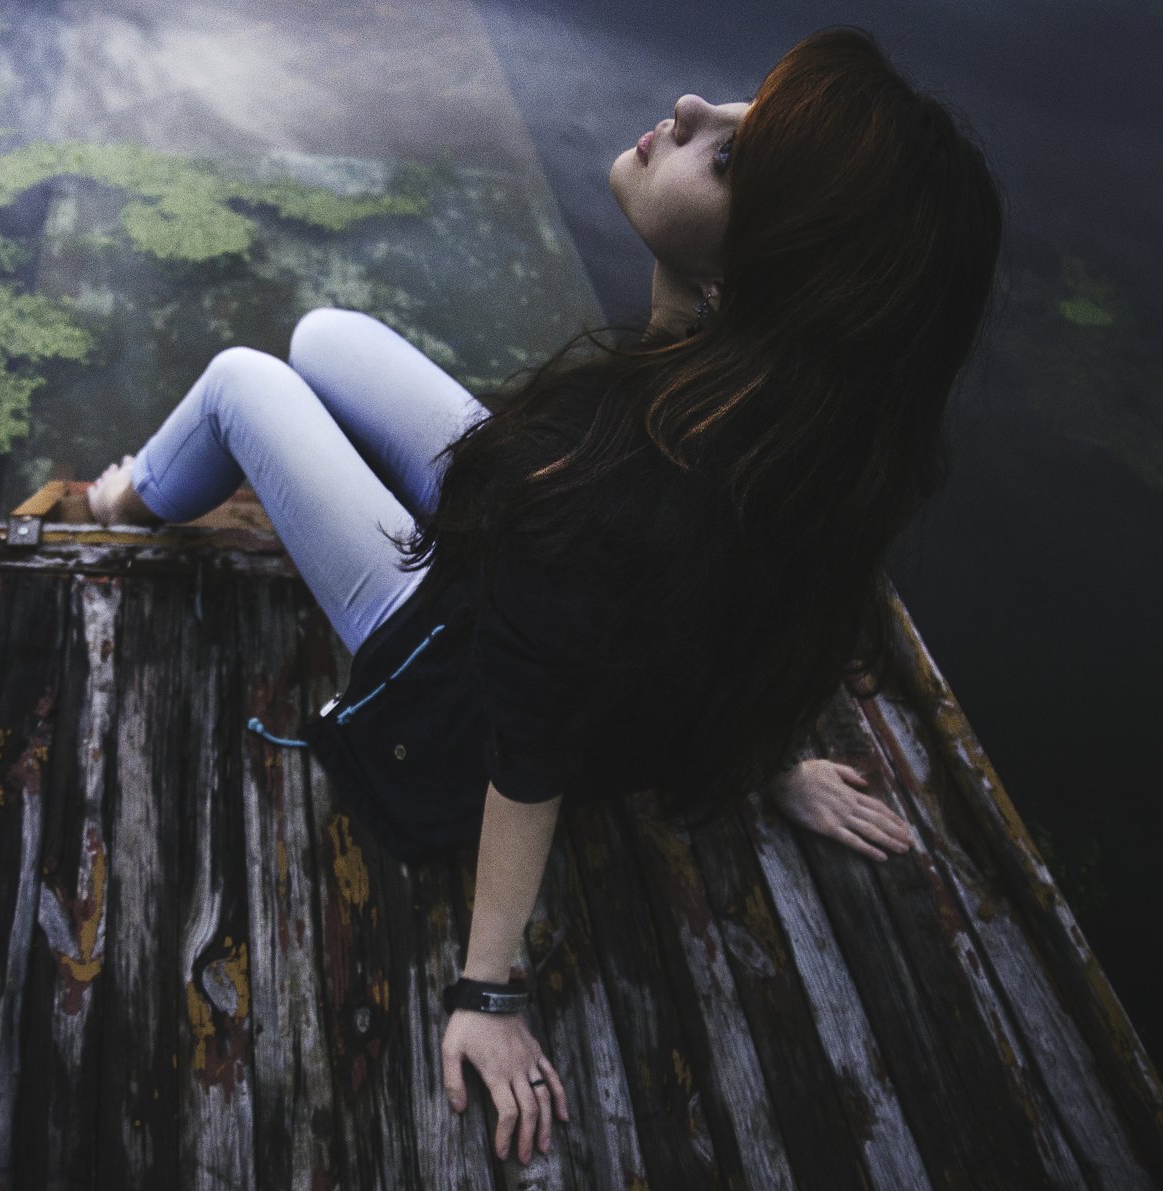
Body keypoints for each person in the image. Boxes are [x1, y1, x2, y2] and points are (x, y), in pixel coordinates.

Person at [86, 25, 1002, 1169]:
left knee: (243, 380)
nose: (688, 106)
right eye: (739, 109)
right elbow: (741, 617)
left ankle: (120, 499)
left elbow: (528, 745)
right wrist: (772, 763)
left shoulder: (600, 490)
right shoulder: (794, 443)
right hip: (538, 555)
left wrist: (489, 989)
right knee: (327, 335)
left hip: (444, 670)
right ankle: (172, 480)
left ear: (744, 277)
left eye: (727, 156)